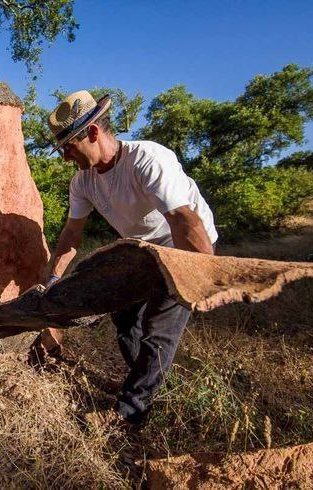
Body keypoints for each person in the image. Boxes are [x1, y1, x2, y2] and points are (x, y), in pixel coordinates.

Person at [44, 90, 218, 425]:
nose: (65, 156)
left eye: (69, 146)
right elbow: (70, 235)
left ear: (93, 133)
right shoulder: (83, 182)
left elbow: (185, 220)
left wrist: (201, 274)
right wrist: (53, 281)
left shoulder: (147, 160)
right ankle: (147, 383)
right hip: (140, 252)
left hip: (183, 247)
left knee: (159, 329)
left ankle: (130, 411)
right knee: (125, 320)